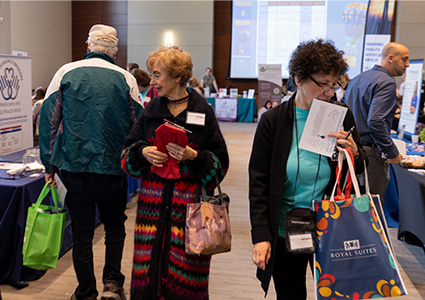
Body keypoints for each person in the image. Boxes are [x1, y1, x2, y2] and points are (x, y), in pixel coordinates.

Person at [249, 39, 366, 300]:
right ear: (298, 78)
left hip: (331, 223)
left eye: (333, 83)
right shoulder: (273, 121)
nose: (329, 91)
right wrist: (261, 236)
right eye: (322, 83)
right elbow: (259, 184)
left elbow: (359, 166)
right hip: (285, 226)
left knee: (339, 293)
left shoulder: (340, 114)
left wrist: (353, 152)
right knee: (290, 293)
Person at [39, 24, 142, 300]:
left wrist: (49, 165)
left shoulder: (65, 72)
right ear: (115, 53)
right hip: (112, 169)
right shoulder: (126, 79)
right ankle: (112, 285)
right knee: (114, 226)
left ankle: (86, 291)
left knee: (82, 233)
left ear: (88, 47)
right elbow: (139, 127)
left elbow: (49, 122)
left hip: (75, 169)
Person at [121, 46, 229, 300]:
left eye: (158, 75)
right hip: (151, 213)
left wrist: (196, 157)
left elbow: (220, 166)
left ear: (177, 76)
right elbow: (126, 157)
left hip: (191, 216)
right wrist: (143, 152)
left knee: (186, 282)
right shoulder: (151, 110)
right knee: (148, 276)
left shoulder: (202, 110)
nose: (153, 81)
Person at [343, 42, 410, 203]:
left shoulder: (358, 78)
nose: (408, 64)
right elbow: (376, 121)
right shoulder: (386, 83)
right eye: (405, 59)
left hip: (351, 151)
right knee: (371, 211)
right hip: (370, 156)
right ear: (391, 58)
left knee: (353, 208)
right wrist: (392, 152)